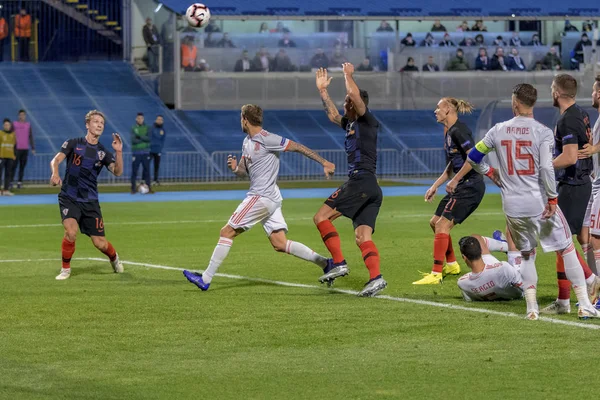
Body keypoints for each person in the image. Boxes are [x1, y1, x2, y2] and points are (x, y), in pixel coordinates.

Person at [452, 83, 599, 319]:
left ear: (515, 103)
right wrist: (552, 198)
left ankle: (531, 309)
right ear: (531, 103)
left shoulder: (497, 130)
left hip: (512, 206)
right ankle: (583, 303)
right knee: (567, 249)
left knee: (528, 254)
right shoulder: (542, 132)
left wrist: (490, 172)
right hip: (539, 201)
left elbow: (473, 156)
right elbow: (544, 167)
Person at [182, 104, 336, 290]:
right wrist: (234, 169)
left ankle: (205, 279)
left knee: (226, 232)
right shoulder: (247, 141)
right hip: (270, 198)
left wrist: (324, 162)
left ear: (245, 119)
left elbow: (297, 147)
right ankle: (326, 264)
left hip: (261, 197)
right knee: (279, 243)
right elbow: (243, 171)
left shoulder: (267, 138)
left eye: (241, 118)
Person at [314, 65, 387, 297]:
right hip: (371, 187)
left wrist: (348, 75)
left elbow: (355, 95)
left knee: (321, 217)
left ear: (356, 104)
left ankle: (338, 262)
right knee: (362, 236)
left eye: (347, 101)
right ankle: (376, 278)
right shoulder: (352, 124)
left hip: (361, 181)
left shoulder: (367, 121)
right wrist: (323, 91)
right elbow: (333, 116)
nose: (345, 104)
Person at [542, 74, 598, 314]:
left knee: (561, 240)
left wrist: (543, 166)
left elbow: (570, 156)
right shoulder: (580, 113)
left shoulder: (569, 119)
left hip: (574, 186)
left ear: (556, 92)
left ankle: (588, 279)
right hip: (576, 184)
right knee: (561, 241)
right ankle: (564, 300)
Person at [417, 98, 486, 284]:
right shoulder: (449, 132)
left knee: (442, 225)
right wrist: (435, 185)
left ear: (447, 109)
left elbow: (474, 157)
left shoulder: (459, 131)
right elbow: (452, 165)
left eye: (438, 107)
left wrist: (455, 180)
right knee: (434, 222)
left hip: (470, 186)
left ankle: (436, 273)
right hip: (461, 185)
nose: (435, 111)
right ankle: (452, 264)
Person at [50, 110, 124, 280]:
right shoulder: (73, 143)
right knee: (71, 232)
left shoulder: (103, 152)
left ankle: (114, 258)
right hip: (69, 197)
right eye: (96, 121)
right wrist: (55, 173)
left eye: (102, 123)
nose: (99, 125)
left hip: (90, 201)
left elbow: (118, 172)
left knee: (100, 243)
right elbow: (56, 160)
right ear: (87, 124)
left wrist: (119, 152)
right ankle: (65, 269)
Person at [457, 236, 524, 302]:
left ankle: (505, 245)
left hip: (491, 276)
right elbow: (525, 286)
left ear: (464, 257)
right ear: (480, 251)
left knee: (476, 237)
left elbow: (469, 298)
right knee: (512, 238)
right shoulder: (503, 268)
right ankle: (506, 245)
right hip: (516, 289)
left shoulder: (462, 283)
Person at [579, 76, 600, 276]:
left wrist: (594, 148)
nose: (592, 94)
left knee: (596, 238)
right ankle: (593, 288)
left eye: (594, 91)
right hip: (595, 183)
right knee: (585, 235)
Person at [130, 112, 152, 194]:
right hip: (136, 152)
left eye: (141, 118)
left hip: (145, 152)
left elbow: (149, 139)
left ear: (143, 119)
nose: (140, 120)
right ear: (136, 119)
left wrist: (139, 136)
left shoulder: (147, 127)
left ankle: (149, 187)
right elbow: (133, 140)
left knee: (147, 170)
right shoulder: (133, 128)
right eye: (138, 118)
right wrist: (143, 138)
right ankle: (133, 188)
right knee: (134, 171)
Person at [12, 109, 34, 189]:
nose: (22, 116)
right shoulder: (14, 124)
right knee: (13, 166)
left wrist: (32, 147)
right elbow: (10, 135)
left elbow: (30, 136)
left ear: (25, 116)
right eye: (20, 115)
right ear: (18, 116)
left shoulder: (28, 125)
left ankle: (19, 182)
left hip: (25, 149)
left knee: (22, 166)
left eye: (23, 115)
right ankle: (10, 182)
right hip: (16, 149)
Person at [0, 119, 16, 196]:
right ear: (3, 126)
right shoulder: (0, 133)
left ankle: (6, 190)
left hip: (10, 156)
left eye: (8, 125)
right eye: (5, 125)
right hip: (1, 156)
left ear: (10, 126)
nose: (7, 126)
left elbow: (15, 145)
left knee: (8, 173)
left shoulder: (13, 134)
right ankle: (0, 190)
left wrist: (14, 155)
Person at [150, 115, 165, 186]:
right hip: (150, 150)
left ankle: (155, 180)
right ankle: (144, 179)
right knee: (146, 165)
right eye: (158, 119)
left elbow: (162, 140)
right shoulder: (151, 129)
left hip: (158, 150)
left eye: (161, 120)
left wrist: (160, 148)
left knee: (157, 166)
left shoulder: (163, 130)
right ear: (156, 120)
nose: (159, 121)